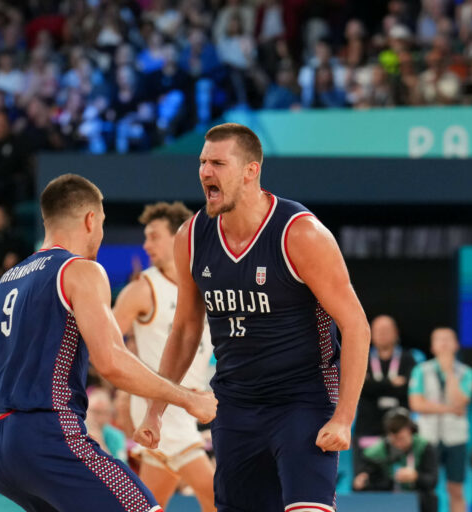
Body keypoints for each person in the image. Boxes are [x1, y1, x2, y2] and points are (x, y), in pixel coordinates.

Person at [134, 123, 371, 512]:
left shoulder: (300, 233)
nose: (206, 172)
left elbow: (355, 325)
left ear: (251, 171)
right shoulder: (191, 237)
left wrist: (344, 417)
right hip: (236, 406)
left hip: (302, 401)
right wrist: (156, 409)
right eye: (202, 162)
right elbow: (185, 330)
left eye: (218, 163)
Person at [0, 173, 216, 512]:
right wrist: (188, 399)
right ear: (91, 220)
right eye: (101, 223)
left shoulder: (2, 286)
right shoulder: (80, 270)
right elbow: (111, 361)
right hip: (48, 436)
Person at [112, 201, 215, 512]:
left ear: (178, 237)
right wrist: (124, 391)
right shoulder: (142, 289)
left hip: (190, 404)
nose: (146, 244)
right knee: (215, 493)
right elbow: (105, 343)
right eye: (146, 236)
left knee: (152, 502)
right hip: (159, 405)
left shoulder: (204, 285)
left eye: (154, 236)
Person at [409, 327, 472, 512]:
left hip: (456, 438)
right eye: (439, 339)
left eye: (448, 339)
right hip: (427, 438)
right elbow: (416, 404)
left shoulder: (467, 373)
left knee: (455, 489)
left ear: (457, 345)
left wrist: (448, 372)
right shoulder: (420, 371)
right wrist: (449, 409)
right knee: (426, 487)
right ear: (432, 346)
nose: (444, 343)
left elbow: (459, 401)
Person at [354, 315, 417, 474]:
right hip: (368, 428)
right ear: (370, 333)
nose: (382, 334)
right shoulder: (361, 356)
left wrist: (373, 384)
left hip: (400, 430)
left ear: (396, 333)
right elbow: (359, 386)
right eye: (378, 330)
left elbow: (408, 388)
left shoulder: (408, 359)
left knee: (400, 479)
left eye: (386, 330)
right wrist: (390, 383)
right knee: (364, 478)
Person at [353, 407, 438, 512]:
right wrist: (360, 482)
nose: (398, 444)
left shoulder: (424, 447)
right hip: (387, 501)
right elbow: (361, 484)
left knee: (430, 497)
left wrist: (416, 476)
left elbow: (433, 481)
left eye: (402, 438)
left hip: (418, 499)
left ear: (410, 431)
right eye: (394, 439)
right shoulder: (375, 453)